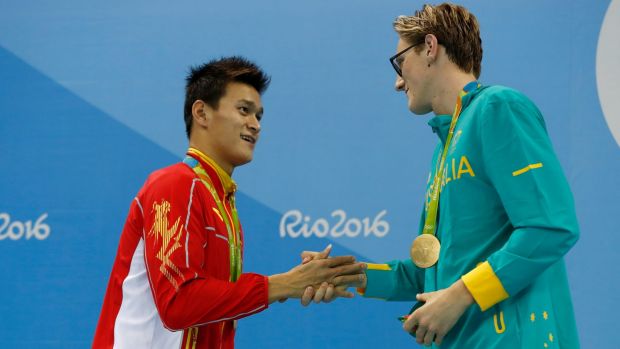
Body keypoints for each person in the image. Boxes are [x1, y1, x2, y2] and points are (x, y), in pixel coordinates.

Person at [306, 3, 580, 348]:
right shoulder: (444, 147)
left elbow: (551, 227)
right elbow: (431, 271)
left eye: (400, 62)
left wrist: (460, 296)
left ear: (431, 48)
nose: (396, 82)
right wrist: (349, 275)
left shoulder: (498, 107)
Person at [92, 56, 365, 349]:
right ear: (202, 113)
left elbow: (214, 307)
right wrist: (284, 284)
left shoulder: (221, 201)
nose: (255, 125)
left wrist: (296, 281)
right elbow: (178, 303)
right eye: (244, 110)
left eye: (259, 116)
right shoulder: (175, 184)